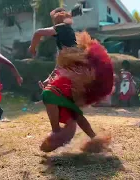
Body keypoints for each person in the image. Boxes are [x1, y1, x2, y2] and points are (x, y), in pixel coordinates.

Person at [29, 7, 113, 153]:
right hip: (76, 74)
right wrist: (49, 79)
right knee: (74, 111)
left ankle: (56, 131)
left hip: (75, 75)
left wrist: (32, 47)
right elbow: (62, 64)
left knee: (48, 95)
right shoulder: (68, 35)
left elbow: (38, 33)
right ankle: (95, 139)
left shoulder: (60, 28)